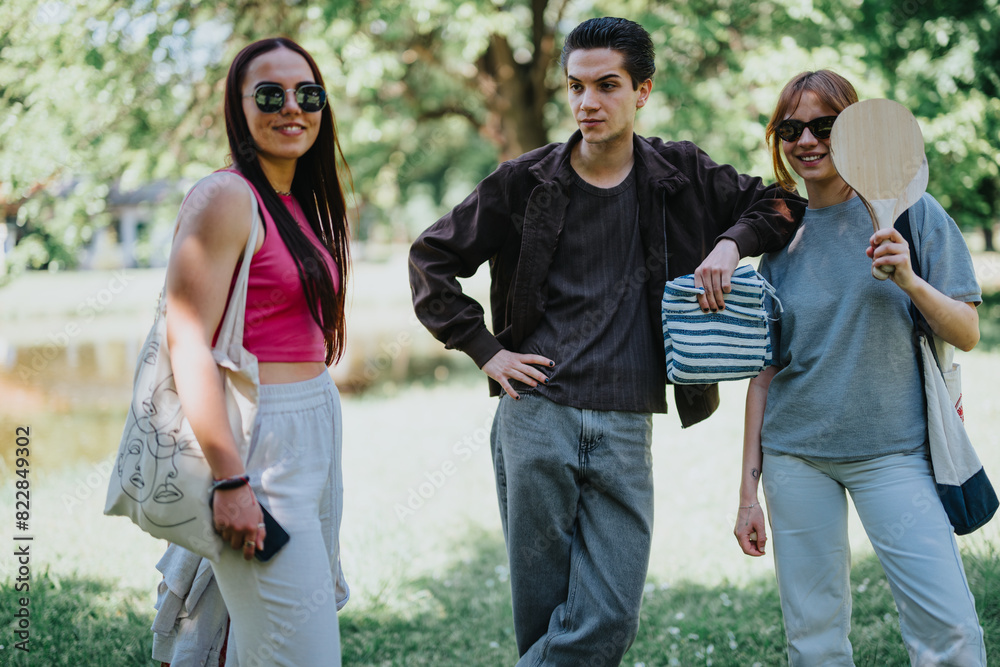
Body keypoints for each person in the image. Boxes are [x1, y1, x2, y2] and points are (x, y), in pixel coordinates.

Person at [409, 17, 804, 666]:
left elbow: (783, 204)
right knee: (542, 615)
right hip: (537, 414)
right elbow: (431, 259)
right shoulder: (524, 181)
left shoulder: (679, 174)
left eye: (607, 85)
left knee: (611, 614)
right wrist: (487, 349)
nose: (587, 102)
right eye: (576, 86)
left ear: (642, 91)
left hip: (626, 422)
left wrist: (731, 244)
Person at [733, 69, 986, 666]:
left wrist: (910, 279)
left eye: (825, 126)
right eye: (791, 128)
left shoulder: (914, 214)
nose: (807, 141)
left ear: (851, 132)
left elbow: (968, 331)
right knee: (813, 638)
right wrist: (748, 493)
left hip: (894, 454)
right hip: (796, 457)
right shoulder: (780, 237)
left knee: (948, 632)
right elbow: (764, 373)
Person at [156, 37, 352, 665]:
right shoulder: (226, 197)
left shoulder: (296, 202)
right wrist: (230, 479)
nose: (292, 107)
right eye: (269, 94)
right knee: (304, 653)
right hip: (258, 444)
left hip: (310, 425)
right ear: (238, 108)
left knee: (250, 646)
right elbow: (188, 341)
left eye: (308, 94)